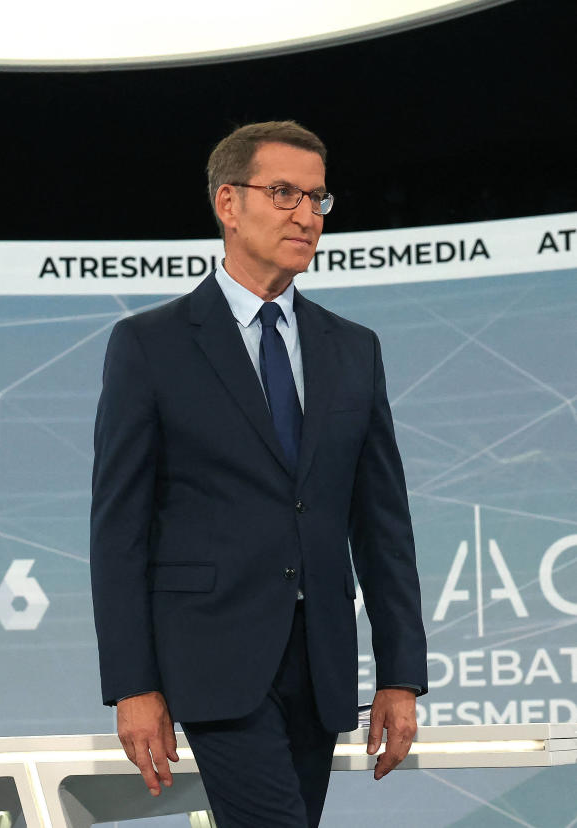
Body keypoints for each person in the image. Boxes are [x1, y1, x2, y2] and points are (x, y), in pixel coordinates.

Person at [89, 120, 428, 827]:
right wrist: (132, 685)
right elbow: (118, 528)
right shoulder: (149, 346)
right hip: (213, 662)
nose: (307, 216)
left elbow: (382, 526)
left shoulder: (353, 350)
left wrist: (400, 674)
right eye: (284, 194)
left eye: (318, 198)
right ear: (227, 203)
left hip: (323, 666)